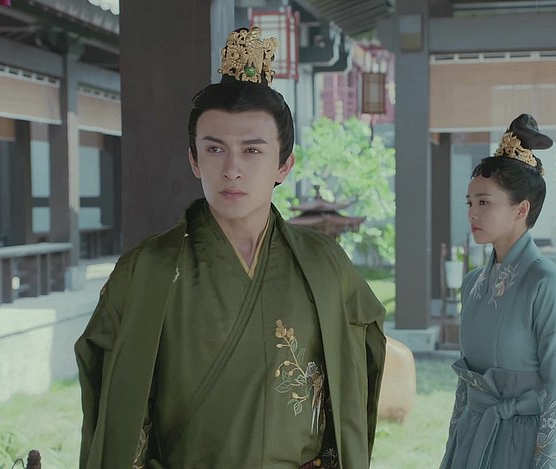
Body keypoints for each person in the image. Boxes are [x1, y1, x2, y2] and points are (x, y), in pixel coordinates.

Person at [75, 27, 386, 469]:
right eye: (215, 149)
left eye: (252, 150)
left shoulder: (325, 265)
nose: (232, 169)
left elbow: (353, 382)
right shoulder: (148, 269)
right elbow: (116, 408)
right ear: (194, 159)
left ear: (284, 165)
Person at [440, 114, 556, 469]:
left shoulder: (548, 285)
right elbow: (467, 385)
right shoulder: (473, 285)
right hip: (475, 439)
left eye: (484, 202)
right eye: (469, 203)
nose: (472, 213)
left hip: (529, 446)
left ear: (521, 209)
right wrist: (454, 444)